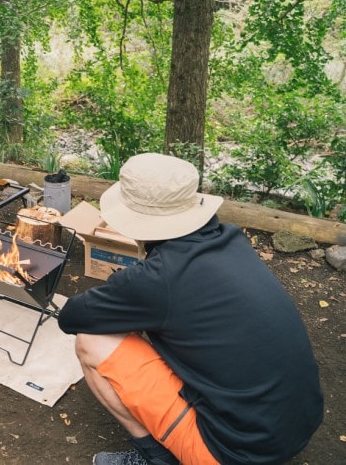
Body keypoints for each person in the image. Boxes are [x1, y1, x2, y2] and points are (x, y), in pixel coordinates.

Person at [58, 153, 323, 465]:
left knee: (91, 341)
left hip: (234, 453)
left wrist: (128, 296)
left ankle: (156, 458)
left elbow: (72, 317)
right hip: (295, 426)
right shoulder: (232, 240)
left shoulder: (159, 278)